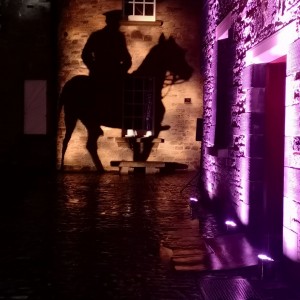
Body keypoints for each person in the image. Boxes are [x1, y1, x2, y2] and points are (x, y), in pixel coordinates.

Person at [81, 10, 132, 86]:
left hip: (112, 73)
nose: (118, 24)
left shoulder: (118, 37)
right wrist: (94, 68)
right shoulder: (97, 36)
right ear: (109, 22)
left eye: (118, 21)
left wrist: (122, 70)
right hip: (100, 74)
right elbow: (85, 54)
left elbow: (126, 58)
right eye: (116, 21)